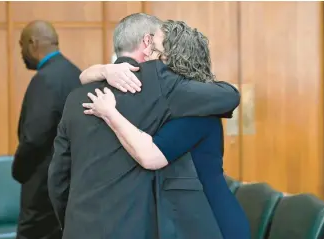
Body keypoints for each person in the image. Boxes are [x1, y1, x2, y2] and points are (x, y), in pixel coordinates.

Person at [48, 13, 240, 239]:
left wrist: (68, 222)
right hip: (132, 227)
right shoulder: (164, 83)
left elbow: (58, 177)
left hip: (78, 228)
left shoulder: (76, 98)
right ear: (148, 42)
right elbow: (228, 96)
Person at [12, 20, 81, 239]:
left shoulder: (44, 80)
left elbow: (33, 139)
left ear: (32, 43)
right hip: (70, 186)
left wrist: (18, 171)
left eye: (21, 45)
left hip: (41, 192)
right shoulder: (75, 75)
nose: (21, 52)